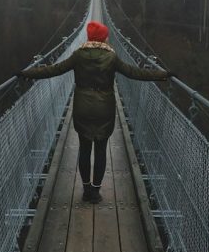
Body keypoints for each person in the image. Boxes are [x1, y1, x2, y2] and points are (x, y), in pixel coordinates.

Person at [18, 20, 173, 203]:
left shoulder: (78, 55)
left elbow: (55, 70)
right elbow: (134, 72)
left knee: (84, 149)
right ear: (103, 37)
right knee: (100, 150)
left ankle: (86, 189)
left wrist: (28, 73)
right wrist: (163, 75)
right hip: (104, 110)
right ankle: (96, 192)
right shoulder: (112, 57)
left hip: (82, 108)